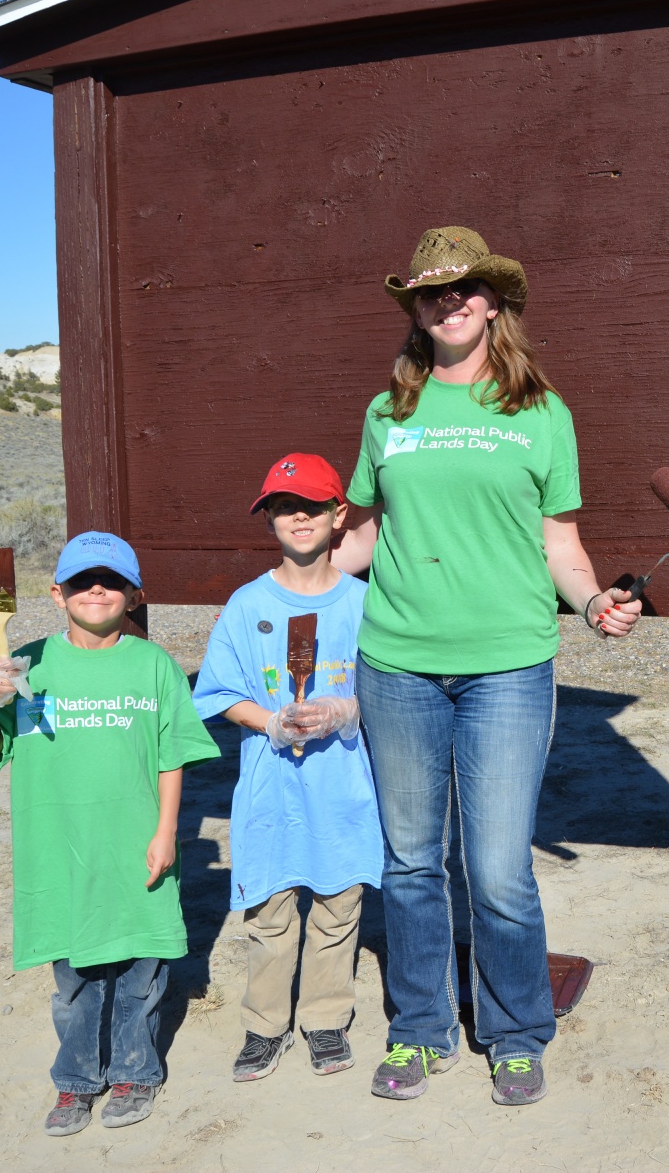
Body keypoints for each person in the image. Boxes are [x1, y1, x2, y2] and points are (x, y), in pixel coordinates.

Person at [332, 226, 641, 1105]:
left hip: (508, 666)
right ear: (416, 312)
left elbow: (561, 541)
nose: (449, 302)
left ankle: (513, 1032)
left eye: (465, 290)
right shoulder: (387, 412)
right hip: (396, 665)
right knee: (411, 862)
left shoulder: (541, 412)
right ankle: (419, 1028)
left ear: (494, 304)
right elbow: (365, 531)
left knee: (499, 867)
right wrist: (290, 579)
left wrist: (589, 604)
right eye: (431, 292)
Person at [0, 531, 220, 1137]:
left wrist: (166, 832)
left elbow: (171, 756)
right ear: (57, 593)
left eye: (110, 580)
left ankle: (135, 1070)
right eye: (81, 580)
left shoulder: (153, 664)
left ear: (135, 594)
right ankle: (76, 1079)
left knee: (140, 970)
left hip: (137, 844)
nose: (95, 589)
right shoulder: (24, 663)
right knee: (73, 978)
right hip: (59, 848)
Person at [193, 453, 383, 1083]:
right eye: (283, 507)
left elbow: (393, 689)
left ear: (338, 515)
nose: (297, 518)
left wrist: (346, 708)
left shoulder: (366, 603)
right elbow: (219, 693)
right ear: (268, 519)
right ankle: (264, 1026)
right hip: (271, 788)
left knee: (337, 903)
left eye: (311, 507)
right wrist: (269, 721)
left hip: (344, 785)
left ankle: (325, 1020)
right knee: (270, 912)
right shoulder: (246, 606)